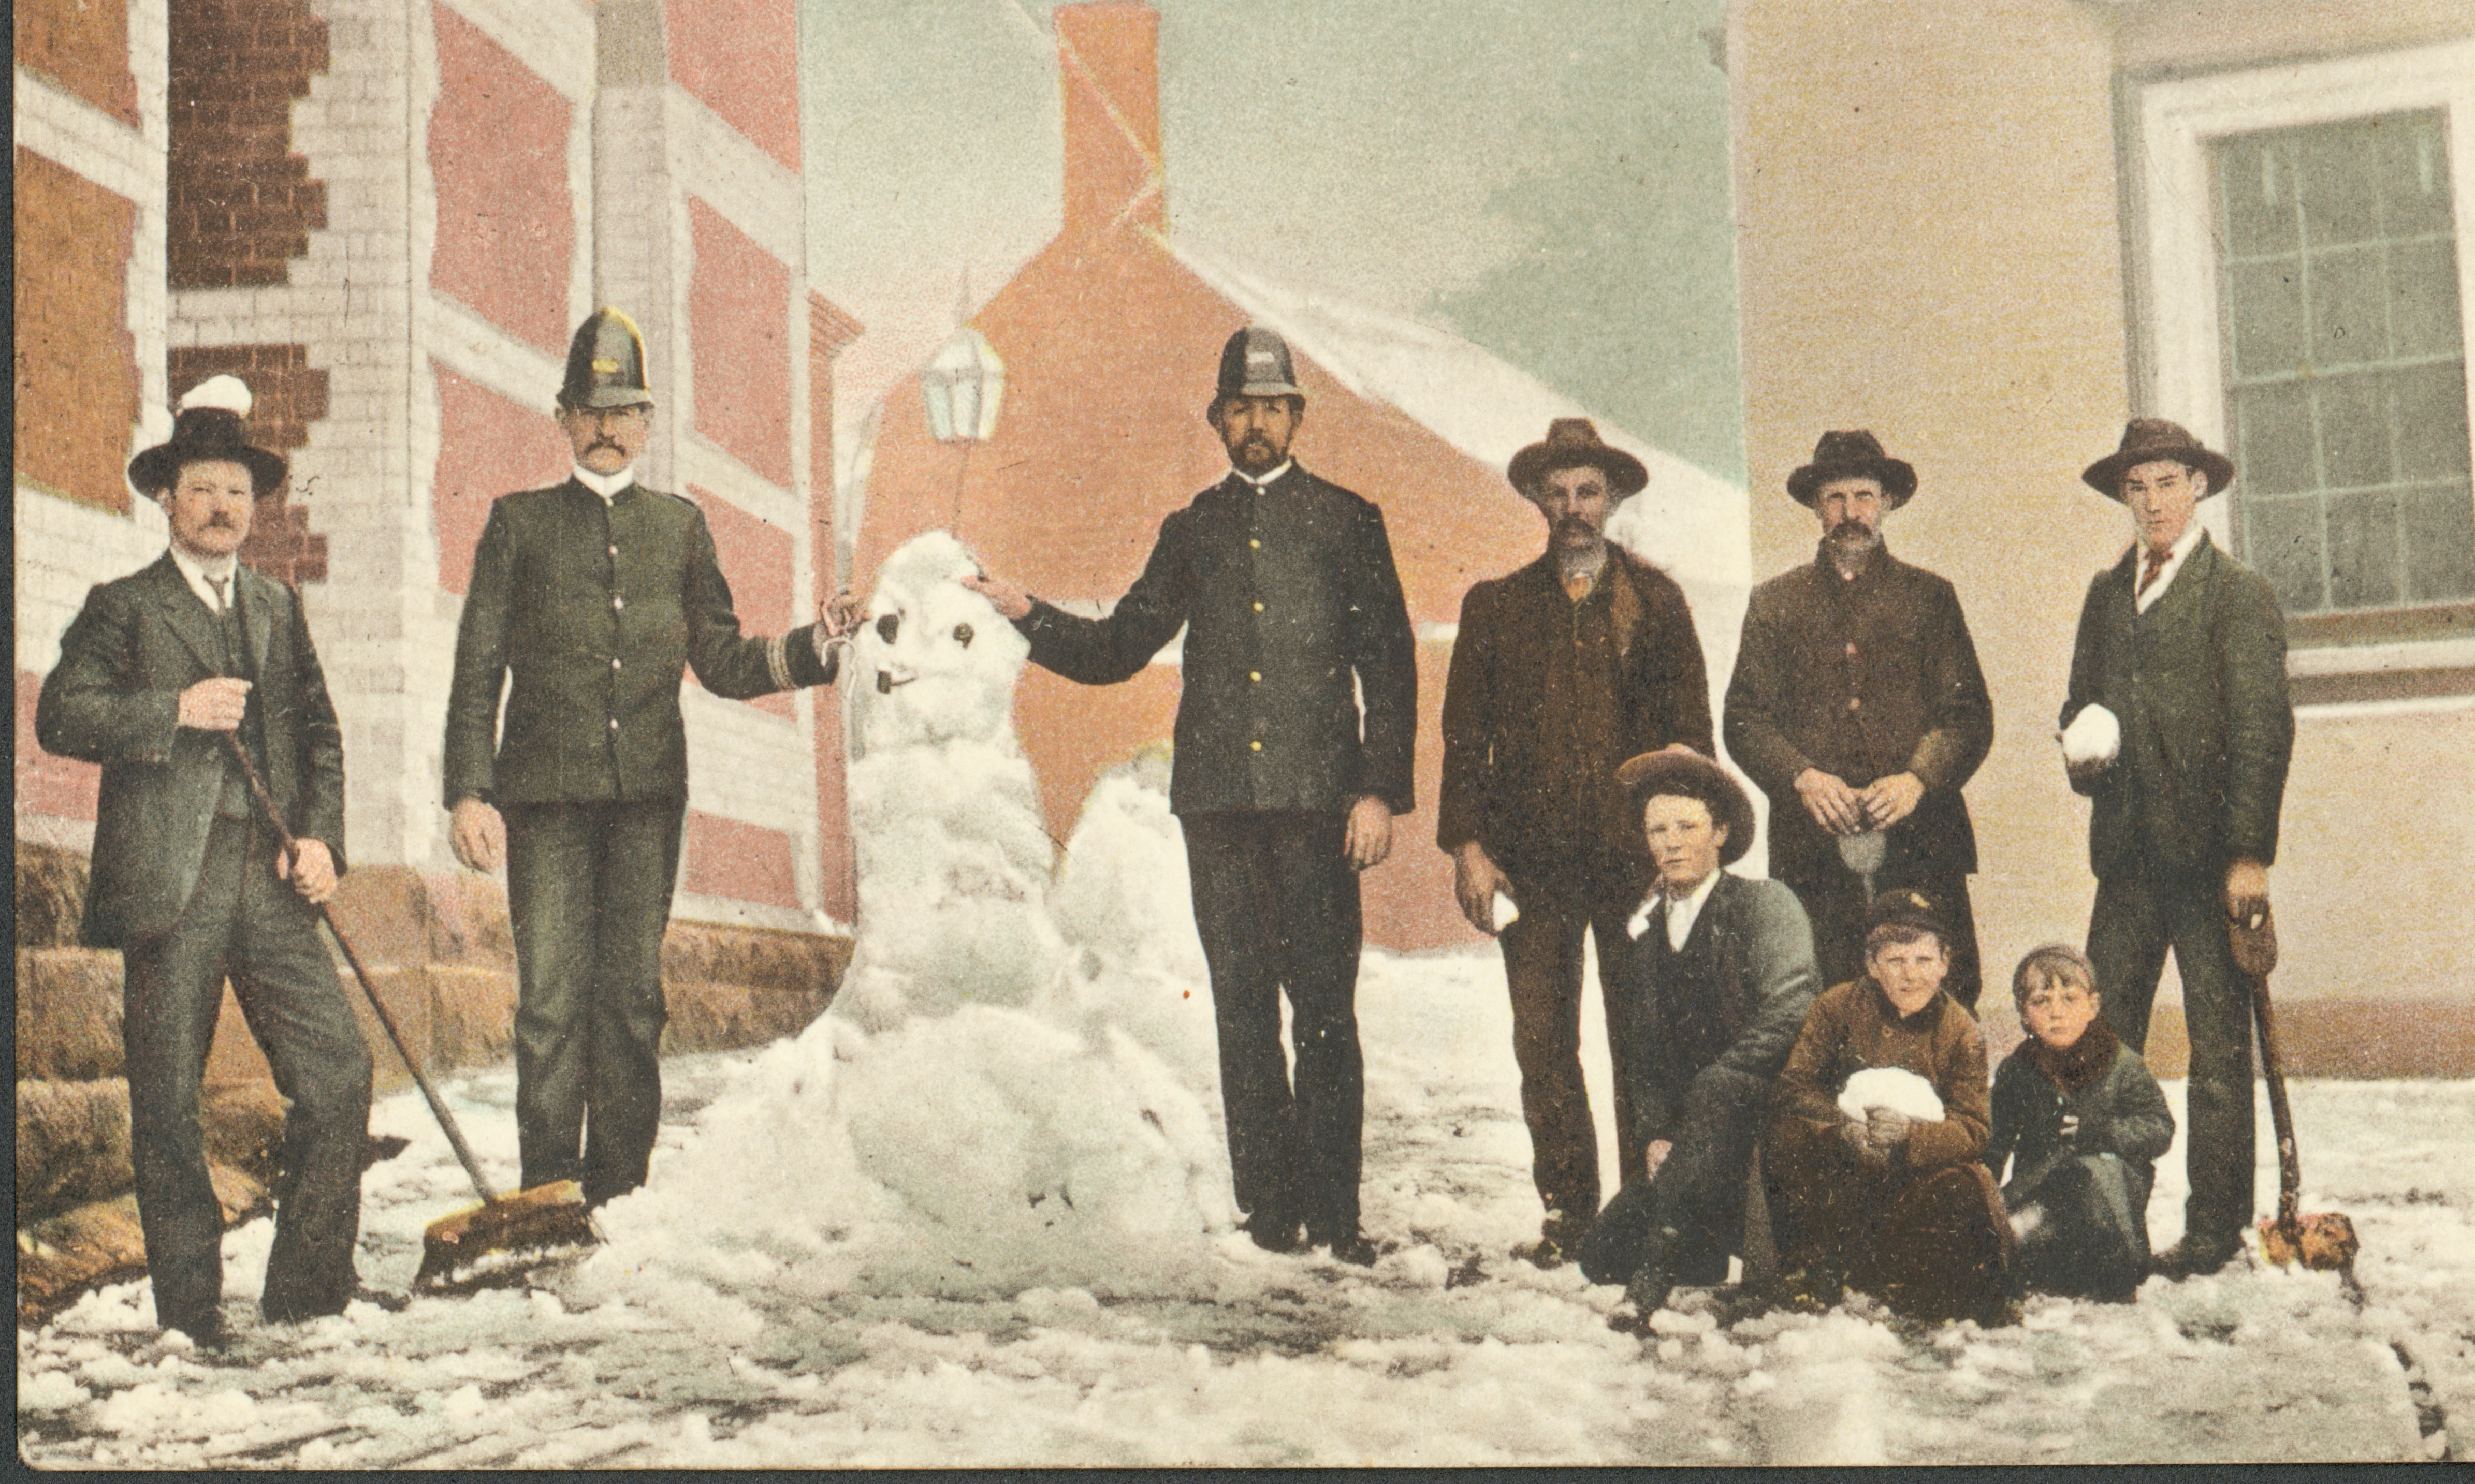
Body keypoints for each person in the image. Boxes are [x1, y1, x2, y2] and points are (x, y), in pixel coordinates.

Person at [965, 325, 1416, 1266]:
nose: (1256, 423)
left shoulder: (1347, 522)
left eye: (1272, 407)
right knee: (1242, 1011)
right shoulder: (1193, 530)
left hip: (1319, 810)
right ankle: (1271, 1216)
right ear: (1217, 420)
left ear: (1297, 417)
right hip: (1218, 811)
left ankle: (1336, 1217)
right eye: (1240, 408)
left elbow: (1390, 670)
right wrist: (1027, 612)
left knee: (1324, 1012)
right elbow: (1118, 647)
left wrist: (1377, 793)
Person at [444, 308, 861, 1207]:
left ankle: (622, 1197)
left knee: (632, 1002)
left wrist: (816, 647)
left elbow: (724, 660)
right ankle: (549, 1195)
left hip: (645, 804)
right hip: (545, 802)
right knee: (550, 1003)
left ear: (648, 422)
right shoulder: (518, 525)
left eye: (624, 411)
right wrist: (470, 791)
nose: (606, 428)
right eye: (590, 411)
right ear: (563, 418)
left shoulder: (680, 529)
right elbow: (477, 668)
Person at [37, 375, 372, 1345]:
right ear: (166, 498)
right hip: (169, 885)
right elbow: (61, 713)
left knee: (340, 1070)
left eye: (236, 490)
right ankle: (192, 1316)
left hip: (270, 880)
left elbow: (319, 735)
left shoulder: (275, 606)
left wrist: (322, 841)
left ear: (253, 502)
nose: (222, 506)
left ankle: (307, 1295)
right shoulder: (125, 607)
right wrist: (173, 711)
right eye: (202, 489)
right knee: (167, 1101)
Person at [1437, 418, 1714, 1267]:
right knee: (1542, 1041)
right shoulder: (1496, 607)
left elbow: (1692, 742)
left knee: (1646, 1040)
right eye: (1556, 493)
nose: (1573, 508)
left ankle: (1645, 1210)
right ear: (1537, 500)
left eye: (1587, 491)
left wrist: (1681, 853)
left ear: (1613, 498)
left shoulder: (1656, 603)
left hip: (1635, 865)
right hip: (1532, 863)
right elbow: (1463, 739)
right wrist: (1470, 847)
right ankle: (1568, 1211)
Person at [2060, 417, 2293, 1277]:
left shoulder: (2236, 593)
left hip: (2206, 863)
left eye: (2167, 483)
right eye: (2137, 487)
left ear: (2197, 487)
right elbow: (2076, 705)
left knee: (2218, 1053)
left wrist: (2247, 854)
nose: (2152, 502)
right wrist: (2082, 746)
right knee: (2097, 1042)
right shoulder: (2104, 594)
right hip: (2126, 860)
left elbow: (2262, 730)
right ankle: (2100, 1219)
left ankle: (2212, 1229)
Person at [1723, 431, 1993, 1008]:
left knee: (1941, 1000)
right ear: (1815, 506)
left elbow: (1967, 714)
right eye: (1836, 497)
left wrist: (1916, 778)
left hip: (1922, 839)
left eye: (1864, 496)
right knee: (1826, 1001)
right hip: (1814, 845)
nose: (1851, 513)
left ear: (1887, 502)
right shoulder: (1775, 603)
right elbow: (1744, 718)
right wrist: (1802, 777)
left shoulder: (1930, 597)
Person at [1575, 746, 1817, 1330]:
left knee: (1715, 1092)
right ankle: (1695, 1239)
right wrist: (1658, 1132)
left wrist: (1715, 1085)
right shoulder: (1646, 941)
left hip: (1770, 1111)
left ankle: (1649, 1286)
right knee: (1600, 1253)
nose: (1671, 843)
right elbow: (1645, 1057)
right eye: (1657, 830)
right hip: (1697, 1141)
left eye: (1687, 826)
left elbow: (1791, 1011)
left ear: (1721, 833)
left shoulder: (1763, 905)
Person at [1764, 890, 2010, 1324]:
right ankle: (1811, 1269)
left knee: (1966, 1182)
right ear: (1872, 964)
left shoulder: (1961, 1030)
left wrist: (1911, 1134)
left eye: (1923, 960)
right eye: (1895, 960)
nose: (1910, 975)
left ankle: (1928, 1283)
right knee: (1786, 1133)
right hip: (1842, 1174)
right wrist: (1842, 1127)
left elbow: (1973, 1127)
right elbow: (1794, 1086)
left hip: (1911, 1179)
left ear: (1944, 963)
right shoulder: (1836, 1007)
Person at [1985, 945, 2176, 1303]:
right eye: (2041, 1002)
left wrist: (2105, 1132)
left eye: (2070, 999)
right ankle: (2025, 1241)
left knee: (2091, 1177)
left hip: (2109, 1197)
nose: (2056, 1012)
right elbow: (1993, 1142)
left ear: (2093, 1006)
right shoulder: (2018, 1071)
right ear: (2023, 1013)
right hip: (2041, 1191)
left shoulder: (2121, 1064)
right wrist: (1983, 1197)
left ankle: (2116, 1268)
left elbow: (2158, 1128)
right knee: (2012, 1253)